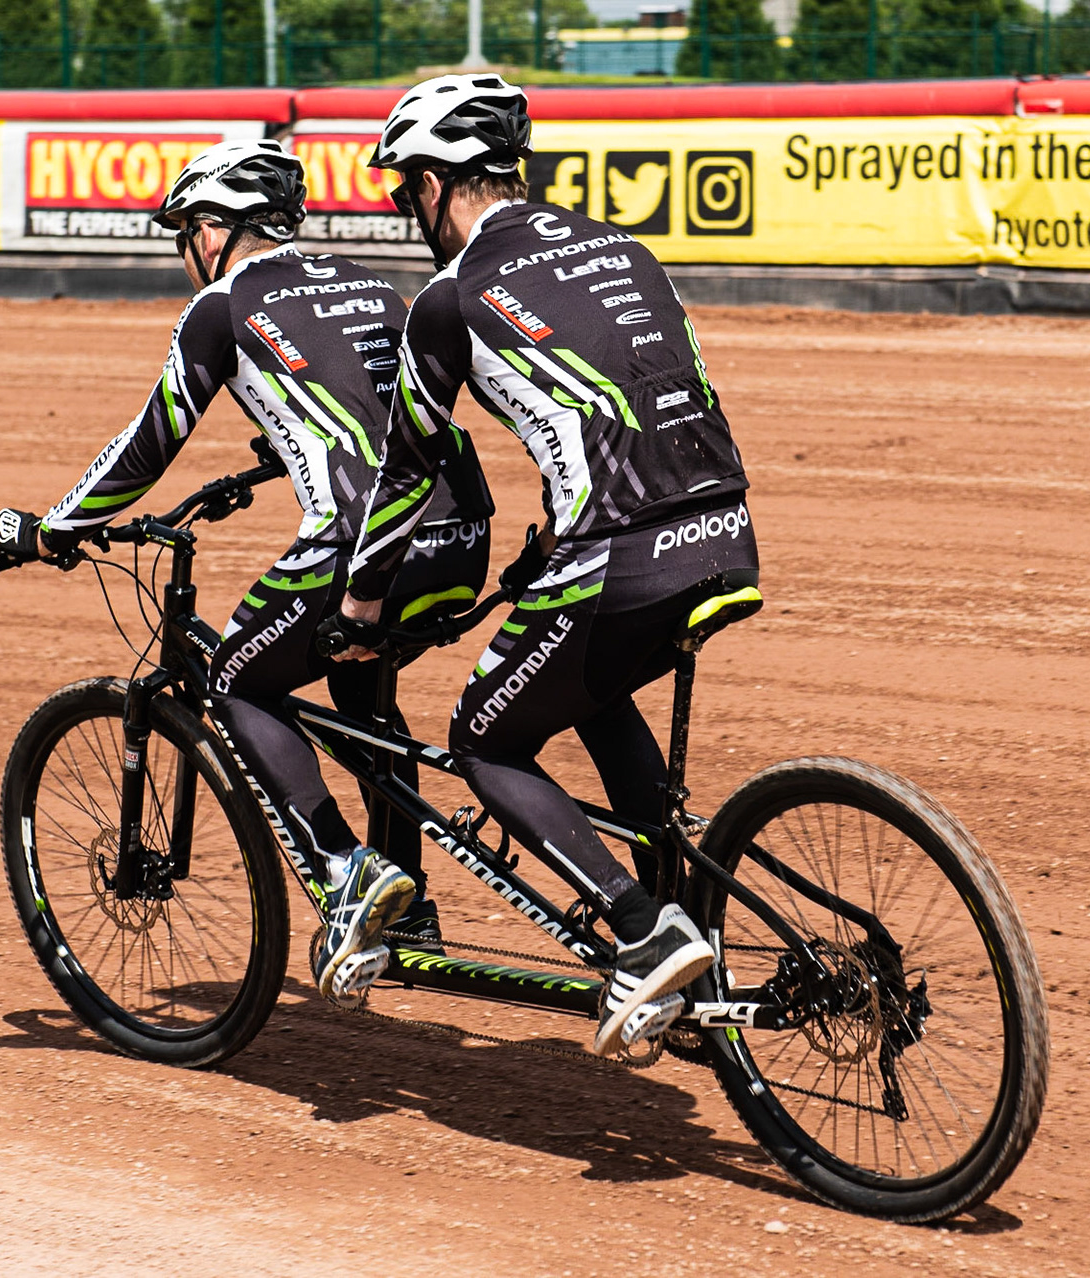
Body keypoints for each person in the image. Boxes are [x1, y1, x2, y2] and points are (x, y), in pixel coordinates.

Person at [0, 139, 490, 1006]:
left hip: (365, 545)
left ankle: (344, 872)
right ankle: (410, 909)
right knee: (364, 697)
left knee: (235, 679)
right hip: (463, 537)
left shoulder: (223, 306)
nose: (186, 252)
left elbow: (148, 444)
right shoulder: (371, 283)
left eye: (187, 231)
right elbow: (384, 407)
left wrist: (49, 528)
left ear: (218, 229)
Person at [320, 75, 761, 1056]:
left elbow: (403, 472)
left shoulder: (450, 298)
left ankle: (644, 933)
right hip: (725, 526)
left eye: (405, 192)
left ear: (437, 182)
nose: (406, 212)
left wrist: (357, 609)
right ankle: (688, 931)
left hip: (620, 552)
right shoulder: (620, 244)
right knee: (591, 693)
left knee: (482, 736)